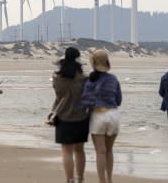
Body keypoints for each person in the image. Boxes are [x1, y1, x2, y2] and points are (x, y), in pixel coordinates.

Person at [81, 50, 122, 183]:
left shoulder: (89, 81)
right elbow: (119, 100)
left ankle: (102, 181)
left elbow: (85, 100)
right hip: (113, 115)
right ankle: (110, 180)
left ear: (93, 63)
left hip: (98, 115)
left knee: (100, 152)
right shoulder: (113, 79)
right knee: (109, 150)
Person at [52, 47, 89, 183]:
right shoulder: (84, 79)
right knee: (79, 150)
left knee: (66, 151)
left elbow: (57, 94)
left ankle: (70, 179)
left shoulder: (57, 78)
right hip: (81, 117)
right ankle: (80, 178)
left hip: (62, 116)